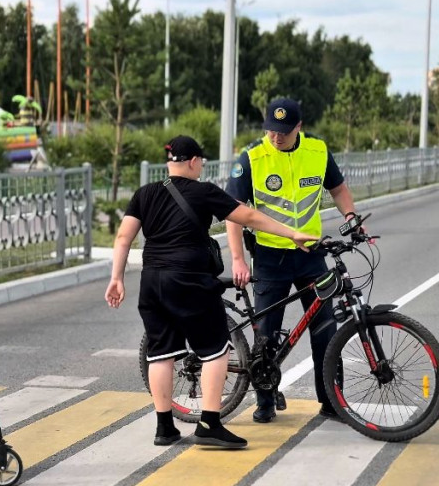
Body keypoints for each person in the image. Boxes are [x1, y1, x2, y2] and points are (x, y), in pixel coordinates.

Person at [104, 135, 318, 449]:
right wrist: (292, 233)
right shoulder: (203, 192)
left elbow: (123, 237)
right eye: (200, 162)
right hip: (189, 279)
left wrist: (116, 278)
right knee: (216, 349)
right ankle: (209, 424)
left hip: (152, 281)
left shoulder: (145, 193)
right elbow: (248, 216)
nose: (201, 166)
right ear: (193, 161)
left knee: (160, 353)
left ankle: (164, 428)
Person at [224, 98, 363, 424]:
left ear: (299, 127)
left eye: (284, 132)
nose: (276, 137)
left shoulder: (317, 152)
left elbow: (339, 188)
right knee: (266, 334)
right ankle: (265, 400)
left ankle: (331, 402)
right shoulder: (253, 158)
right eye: (271, 130)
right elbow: (232, 211)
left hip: (311, 255)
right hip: (269, 257)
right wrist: (237, 259)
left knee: (325, 329)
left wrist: (352, 216)